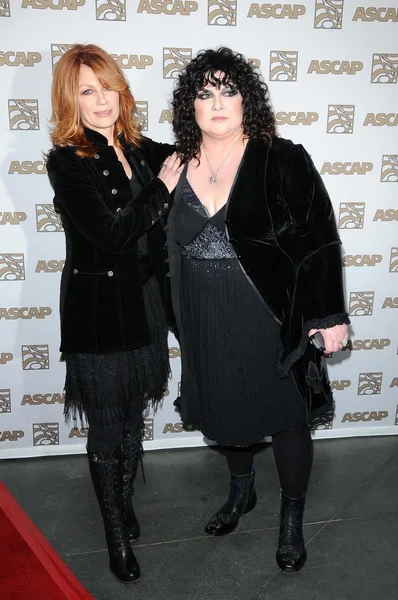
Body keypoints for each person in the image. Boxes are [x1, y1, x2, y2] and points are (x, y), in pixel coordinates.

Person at [167, 47, 349, 572]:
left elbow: (319, 237)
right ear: (190, 106)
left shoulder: (281, 156)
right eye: (204, 93)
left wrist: (327, 316)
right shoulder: (174, 163)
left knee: (288, 417)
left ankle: (291, 521)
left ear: (248, 100)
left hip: (270, 315)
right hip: (203, 316)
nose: (217, 102)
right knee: (226, 409)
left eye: (228, 90)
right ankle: (241, 493)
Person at [46, 44, 181, 583]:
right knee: (106, 425)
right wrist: (161, 190)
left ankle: (123, 502)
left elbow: (189, 154)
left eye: (108, 87)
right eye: (87, 91)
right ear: (70, 101)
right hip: (99, 310)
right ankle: (115, 539)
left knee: (131, 418)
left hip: (144, 302)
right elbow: (111, 234)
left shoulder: (136, 145)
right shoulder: (66, 161)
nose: (101, 100)